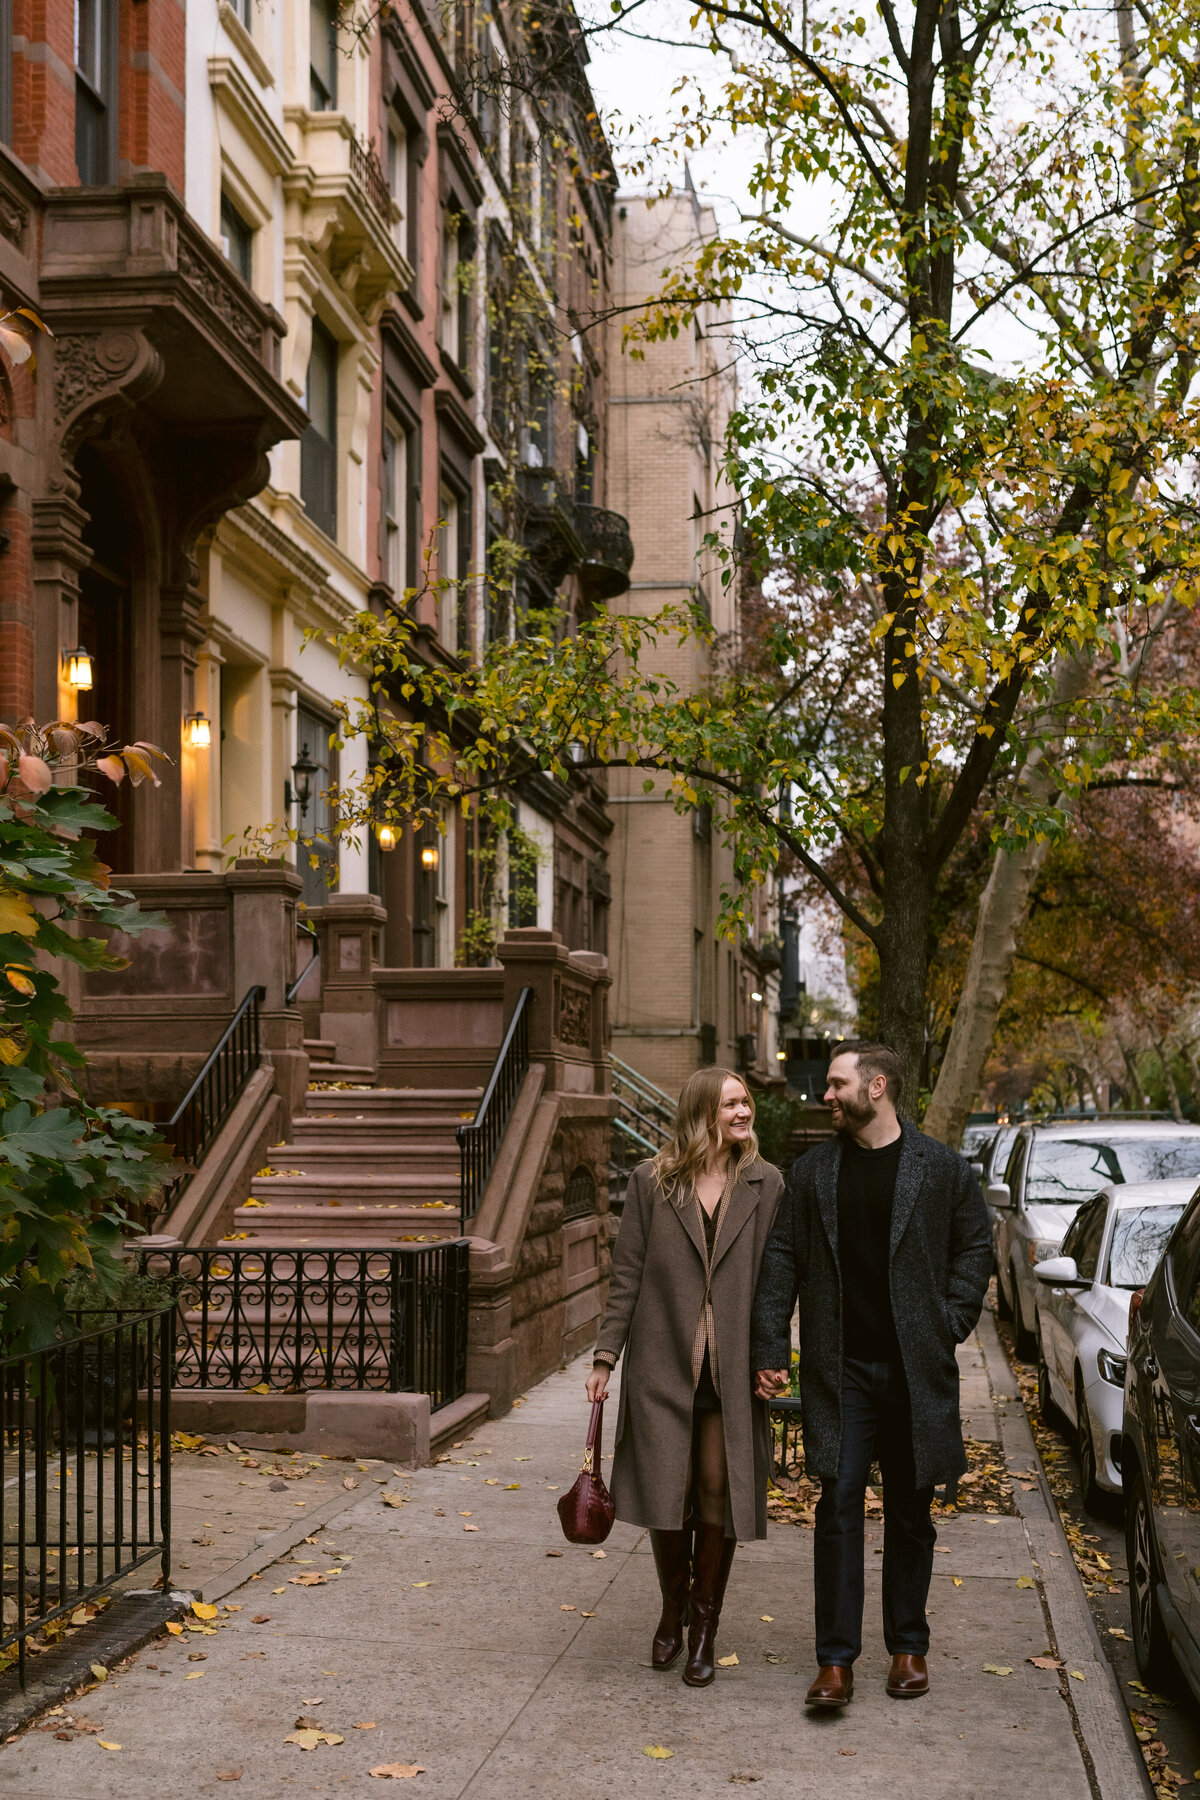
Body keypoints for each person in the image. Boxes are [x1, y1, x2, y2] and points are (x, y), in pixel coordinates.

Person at [750, 1041, 991, 1708]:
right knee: (838, 1506)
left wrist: (948, 1321)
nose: (825, 1095)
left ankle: (908, 1647)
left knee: (912, 1513)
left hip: (917, 1373)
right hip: (841, 1369)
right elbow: (780, 1266)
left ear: (876, 1086)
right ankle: (836, 1662)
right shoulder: (812, 1173)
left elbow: (974, 1246)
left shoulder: (940, 1170)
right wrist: (771, 1348)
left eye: (836, 1083)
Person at [587, 1068, 784, 1687]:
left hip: (730, 1370)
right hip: (662, 1363)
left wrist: (773, 1356)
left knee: (715, 1489)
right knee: (666, 1498)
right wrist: (603, 1357)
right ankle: (672, 1605)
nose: (744, 1110)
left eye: (746, 1101)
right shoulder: (653, 1181)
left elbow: (776, 1283)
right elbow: (627, 1274)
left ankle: (704, 1627)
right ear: (703, 1112)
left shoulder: (766, 1182)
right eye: (732, 1103)